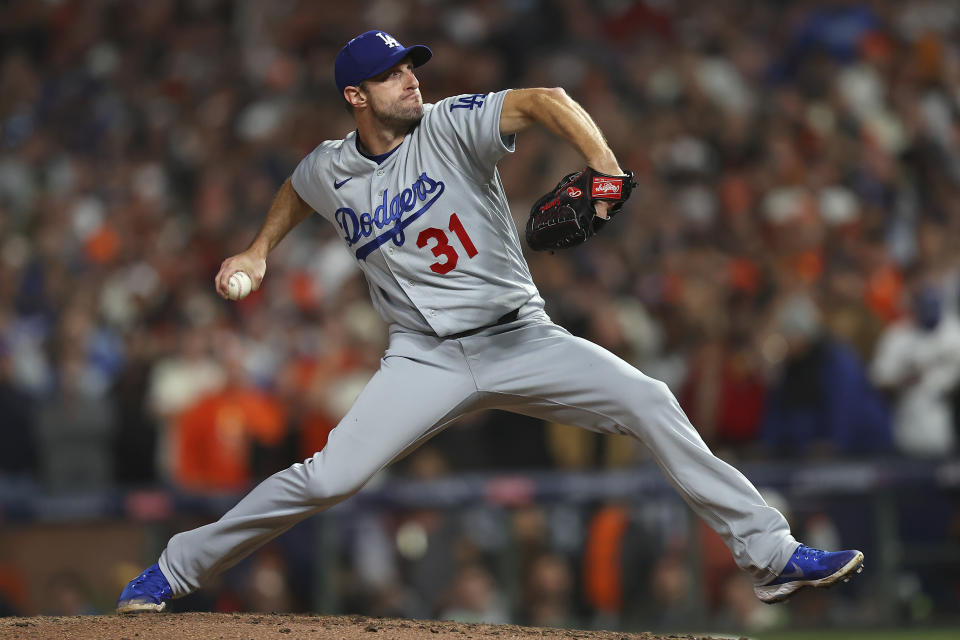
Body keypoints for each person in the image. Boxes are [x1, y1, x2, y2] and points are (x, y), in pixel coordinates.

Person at [117, 29, 863, 614]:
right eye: (392, 74)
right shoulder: (327, 168)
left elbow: (545, 98)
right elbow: (296, 189)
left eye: (412, 67)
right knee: (325, 481)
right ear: (356, 96)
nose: (412, 78)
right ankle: (173, 570)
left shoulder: (450, 126)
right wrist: (257, 249)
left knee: (649, 399)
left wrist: (604, 165)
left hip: (521, 339)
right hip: (424, 361)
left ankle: (769, 554)